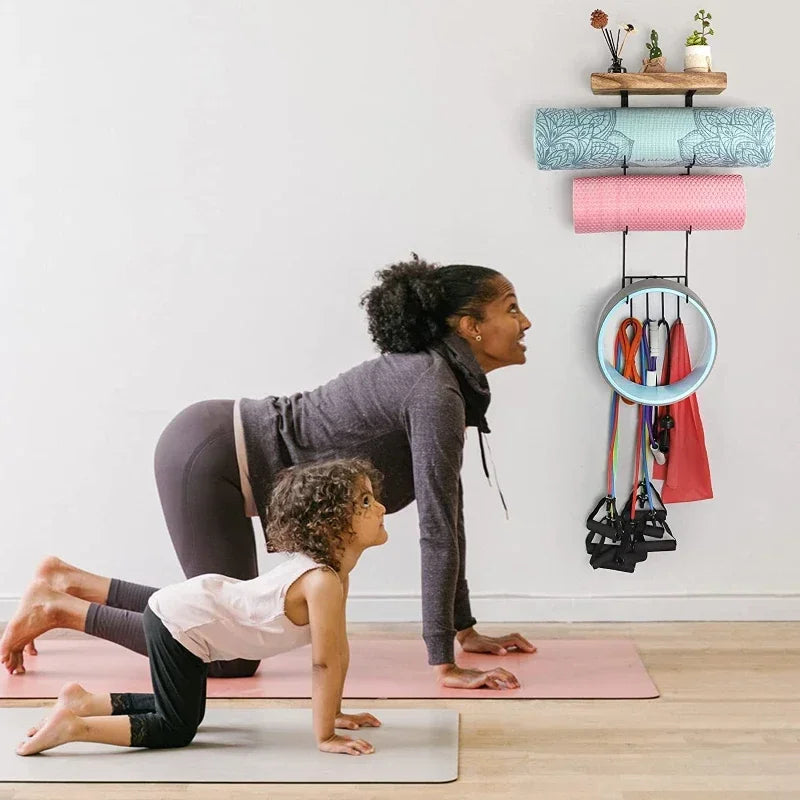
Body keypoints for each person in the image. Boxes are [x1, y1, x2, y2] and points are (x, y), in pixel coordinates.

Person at [2, 255, 536, 688]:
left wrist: (462, 629)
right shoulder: (434, 388)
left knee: (218, 619)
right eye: (512, 309)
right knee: (223, 654)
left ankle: (68, 581)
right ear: (471, 327)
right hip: (215, 455)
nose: (526, 322)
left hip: (215, 445)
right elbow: (437, 528)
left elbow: (450, 511)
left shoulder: (439, 383)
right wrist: (444, 661)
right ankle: (62, 609)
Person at [16, 459, 428, 757]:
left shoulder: (330, 575)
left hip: (193, 615)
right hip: (184, 622)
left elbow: (336, 656)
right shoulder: (321, 581)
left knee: (186, 710)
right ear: (329, 525)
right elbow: (326, 664)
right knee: (176, 727)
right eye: (363, 502)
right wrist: (324, 736)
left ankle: (83, 701)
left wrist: (335, 713)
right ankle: (75, 727)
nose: (380, 508)